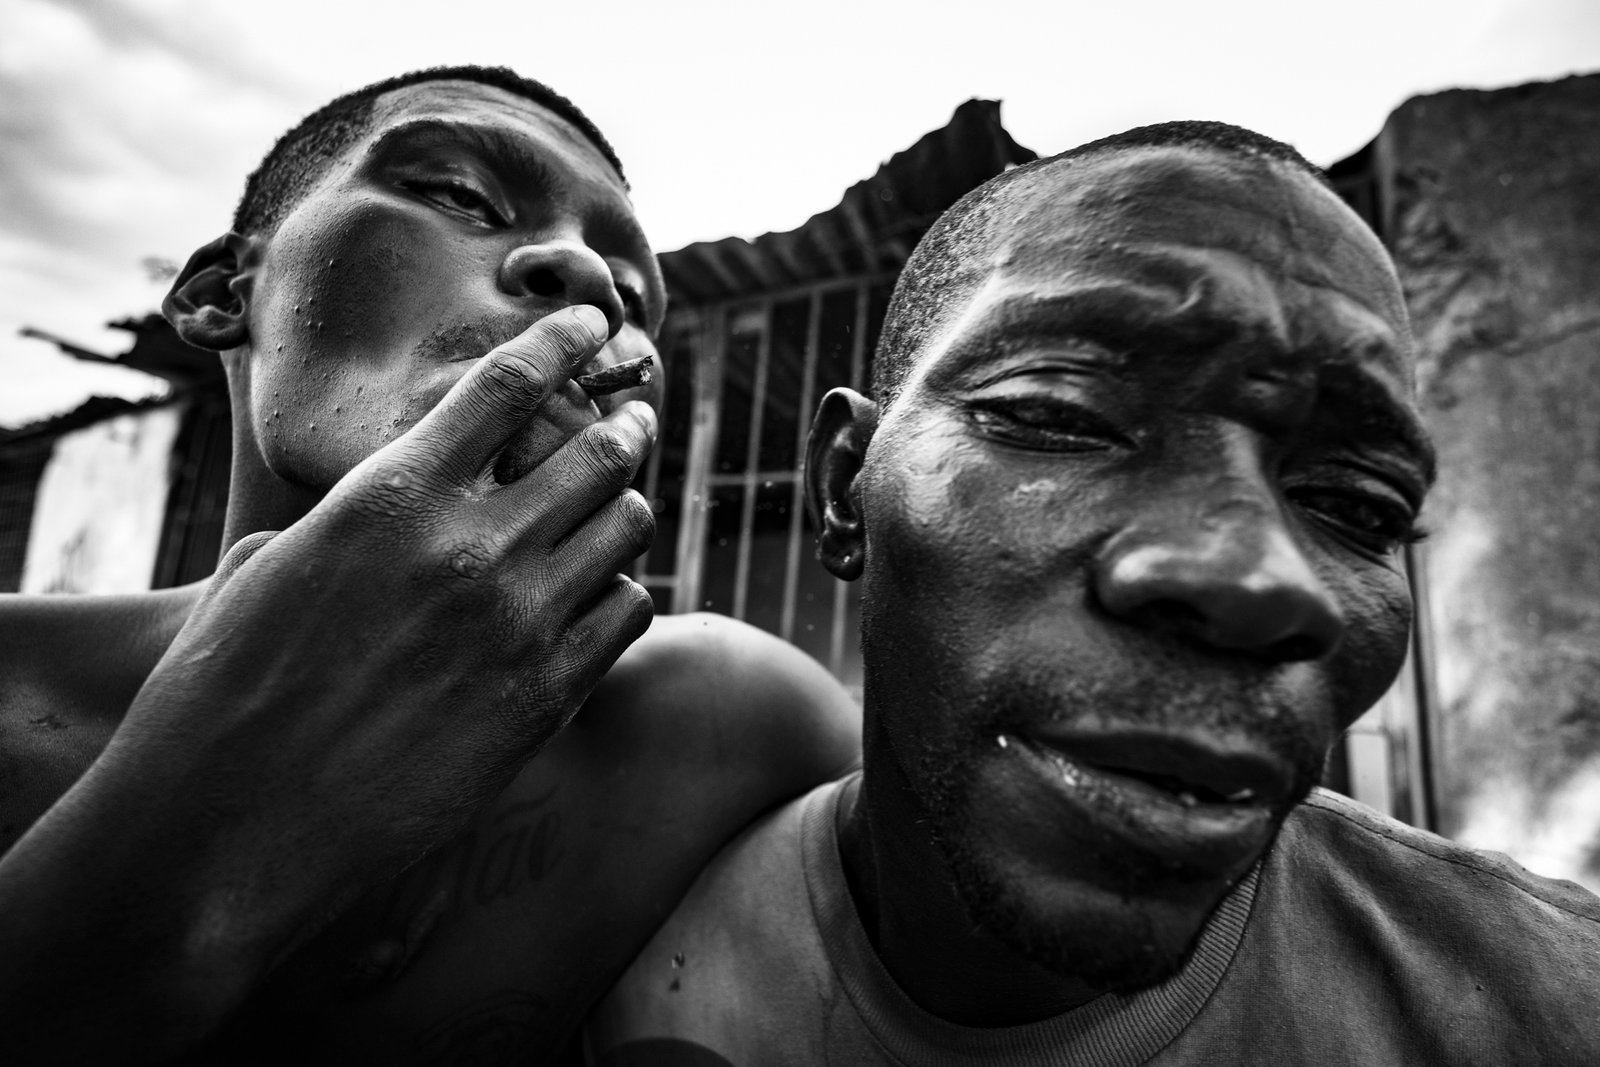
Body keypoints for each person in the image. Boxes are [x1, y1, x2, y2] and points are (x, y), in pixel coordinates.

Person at [584, 122, 1600, 1065]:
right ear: (846, 488)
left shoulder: (1551, 1009)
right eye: (1061, 415)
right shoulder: (600, 934)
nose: (1253, 578)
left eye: (1358, 506)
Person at [0, 66, 859, 1064]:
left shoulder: (725, 730)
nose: (586, 276)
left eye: (628, 297)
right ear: (222, 294)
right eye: (460, 195)